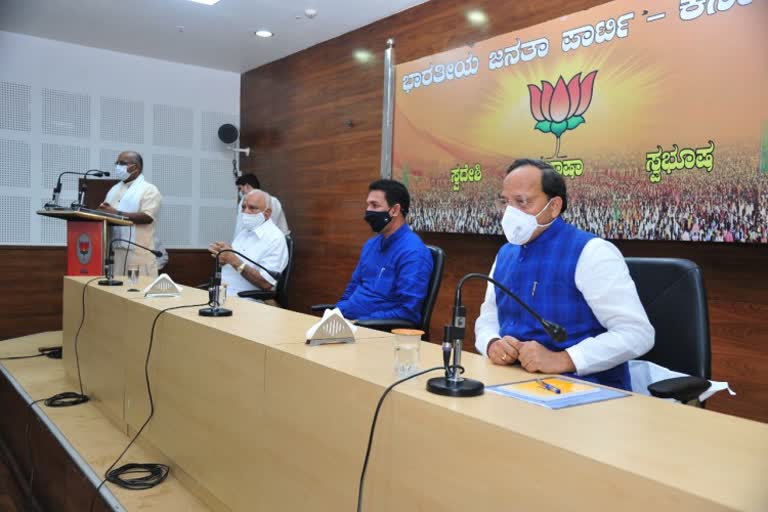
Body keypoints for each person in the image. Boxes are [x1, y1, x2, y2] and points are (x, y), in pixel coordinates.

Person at [474, 159, 654, 391]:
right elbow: (489, 316)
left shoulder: (592, 252)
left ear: (554, 206)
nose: (510, 212)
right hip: (512, 383)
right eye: (505, 202)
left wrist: (564, 359)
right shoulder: (505, 253)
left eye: (522, 202)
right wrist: (492, 343)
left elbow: (637, 333)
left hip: (586, 391)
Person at [335, 179, 433, 325]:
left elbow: (408, 312)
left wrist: (360, 322)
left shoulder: (413, 253)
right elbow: (352, 288)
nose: (368, 211)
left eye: (374, 205)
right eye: (368, 205)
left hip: (377, 332)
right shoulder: (371, 244)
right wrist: (336, 313)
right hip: (349, 324)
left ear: (394, 210)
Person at [210, 189, 288, 297]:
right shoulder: (244, 232)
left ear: (267, 213)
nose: (246, 211)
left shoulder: (275, 239)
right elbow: (233, 261)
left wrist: (233, 260)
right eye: (243, 207)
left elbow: (266, 283)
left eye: (252, 208)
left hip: (248, 301)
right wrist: (224, 256)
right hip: (223, 294)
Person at [99, 151, 162, 277]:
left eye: (123, 163)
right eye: (117, 163)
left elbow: (147, 217)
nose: (118, 166)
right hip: (116, 253)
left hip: (138, 254)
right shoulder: (114, 189)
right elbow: (105, 210)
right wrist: (101, 211)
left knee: (136, 294)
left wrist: (116, 213)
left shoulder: (149, 189)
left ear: (136, 167)